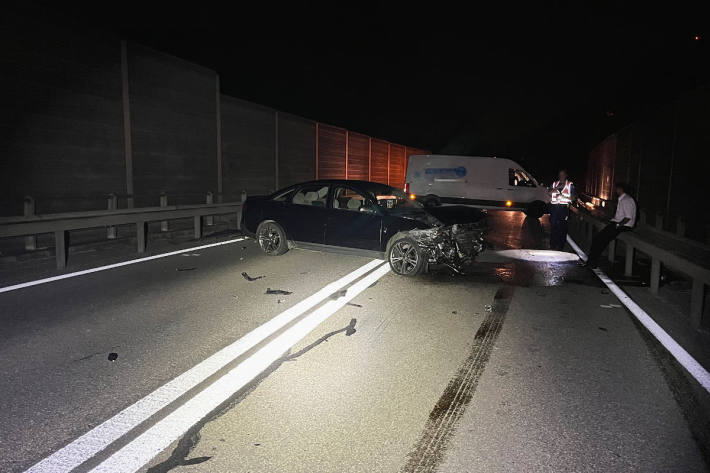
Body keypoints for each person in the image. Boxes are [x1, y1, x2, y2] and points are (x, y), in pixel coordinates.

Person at [580, 182, 637, 268]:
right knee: (599, 240)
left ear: (620, 189)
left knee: (599, 240)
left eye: (616, 189)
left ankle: (591, 263)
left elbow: (628, 217)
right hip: (619, 224)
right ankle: (591, 262)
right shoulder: (623, 199)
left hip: (623, 226)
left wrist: (618, 225)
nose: (615, 191)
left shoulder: (626, 200)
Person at [548, 169, 575, 250]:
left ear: (566, 175)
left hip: (563, 209)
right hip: (554, 209)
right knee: (553, 227)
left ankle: (560, 247)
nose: (561, 176)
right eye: (560, 175)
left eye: (563, 174)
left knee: (562, 228)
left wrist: (564, 197)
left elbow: (573, 198)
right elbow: (549, 192)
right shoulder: (554, 183)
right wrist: (557, 188)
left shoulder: (570, 185)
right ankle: (552, 245)